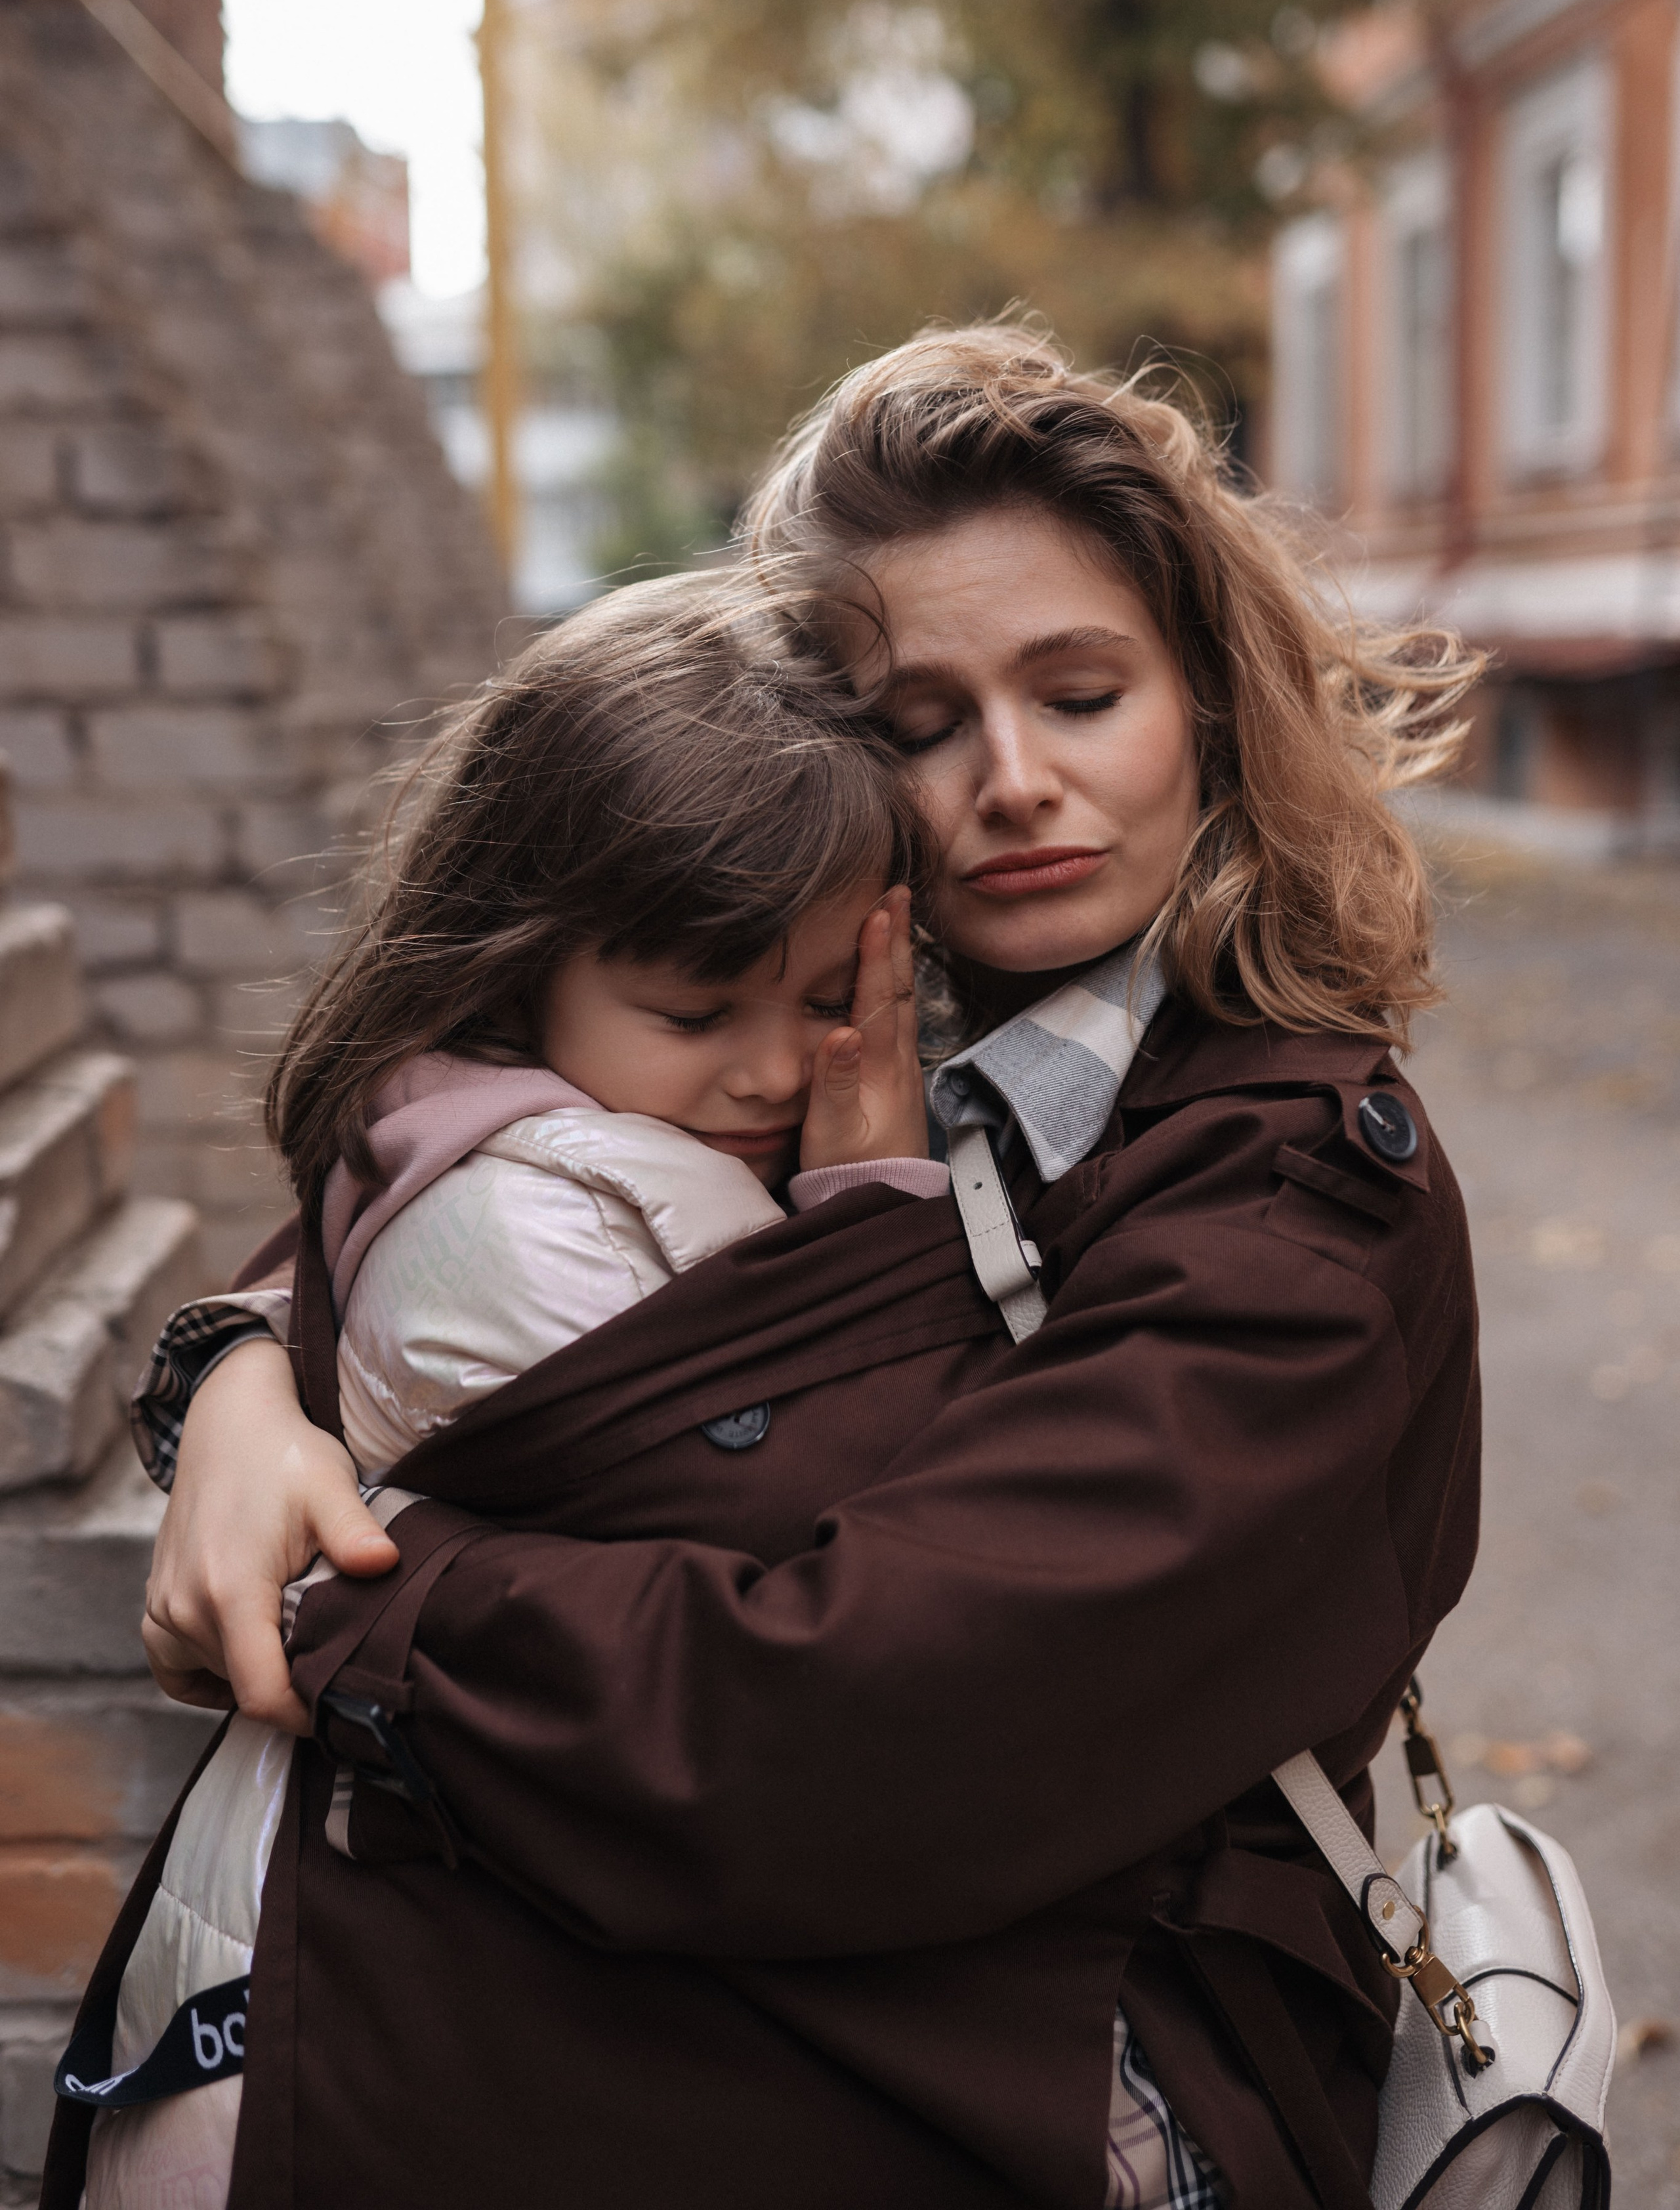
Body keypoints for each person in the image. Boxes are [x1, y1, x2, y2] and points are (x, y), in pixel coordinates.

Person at [49, 326, 1482, 2210]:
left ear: (1208, 705)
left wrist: (359, 1597)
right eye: (921, 723)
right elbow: (505, 1208)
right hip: (838, 1997)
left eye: (1080, 693)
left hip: (1094, 2057)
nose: (1014, 780)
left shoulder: (1289, 1200)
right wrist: (235, 1373)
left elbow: (849, 1731)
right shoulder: (876, 1017)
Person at [65, 578, 942, 2209]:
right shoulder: (524, 1224)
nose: (769, 1070)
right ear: (518, 960)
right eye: (697, 1014)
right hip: (353, 2054)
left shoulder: (590, 1143)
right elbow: (851, 1532)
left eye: (828, 999)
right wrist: (878, 1202)